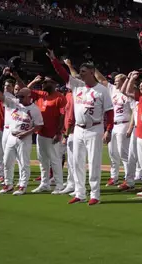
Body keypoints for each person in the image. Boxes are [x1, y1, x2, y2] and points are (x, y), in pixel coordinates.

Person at [48, 50, 114, 205]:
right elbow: (63, 74)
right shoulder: (77, 86)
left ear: (92, 72)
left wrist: (108, 130)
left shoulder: (102, 90)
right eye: (81, 72)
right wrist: (53, 60)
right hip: (78, 129)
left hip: (95, 128)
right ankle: (79, 193)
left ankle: (95, 195)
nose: (81, 74)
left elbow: (109, 113)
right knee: (77, 162)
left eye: (84, 72)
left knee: (93, 162)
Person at [0, 71, 44, 196]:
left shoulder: (34, 109)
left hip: (24, 138)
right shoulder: (13, 102)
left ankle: (22, 185)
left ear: (29, 97)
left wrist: (27, 133)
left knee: (23, 163)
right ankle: (8, 184)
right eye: (18, 95)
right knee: (7, 161)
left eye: (21, 96)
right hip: (11, 135)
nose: (19, 98)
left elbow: (39, 126)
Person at [26, 75, 67, 194]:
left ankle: (59, 185)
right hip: (41, 133)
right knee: (42, 160)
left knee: (55, 160)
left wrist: (59, 132)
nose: (43, 85)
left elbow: (62, 116)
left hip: (52, 134)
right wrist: (34, 81)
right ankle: (45, 184)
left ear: (54, 84)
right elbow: (25, 91)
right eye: (43, 83)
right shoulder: (40, 94)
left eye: (46, 82)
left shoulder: (60, 97)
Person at [93, 71, 134, 187]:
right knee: (112, 153)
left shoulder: (128, 93)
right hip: (114, 125)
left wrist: (130, 128)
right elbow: (102, 80)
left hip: (124, 124)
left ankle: (128, 178)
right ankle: (114, 177)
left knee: (123, 153)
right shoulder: (112, 90)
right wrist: (94, 68)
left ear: (123, 81)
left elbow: (134, 112)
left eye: (117, 81)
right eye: (114, 81)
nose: (115, 83)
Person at [121, 74, 142, 198]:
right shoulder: (141, 98)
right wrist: (131, 78)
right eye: (140, 85)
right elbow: (125, 91)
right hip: (140, 134)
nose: (141, 87)